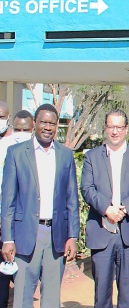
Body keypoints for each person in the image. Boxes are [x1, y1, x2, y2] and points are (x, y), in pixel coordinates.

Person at [1, 103, 79, 308]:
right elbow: (7, 200)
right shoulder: (16, 153)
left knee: (52, 298)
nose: (47, 127)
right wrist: (7, 239)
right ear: (35, 123)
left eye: (52, 123)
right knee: (23, 297)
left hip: (56, 236)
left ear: (56, 126)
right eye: (43, 122)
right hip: (26, 234)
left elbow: (72, 199)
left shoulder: (65, 154)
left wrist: (73, 236)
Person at [80, 109, 129, 308]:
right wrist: (106, 209)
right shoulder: (92, 157)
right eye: (111, 126)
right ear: (105, 128)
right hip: (102, 232)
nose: (115, 131)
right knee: (101, 293)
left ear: (126, 129)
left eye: (119, 127)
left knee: (127, 294)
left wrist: (125, 208)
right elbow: (87, 187)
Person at [0, 110, 34, 308]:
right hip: (4, 225)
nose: (22, 133)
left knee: (24, 282)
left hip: (25, 228)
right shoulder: (6, 148)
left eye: (26, 129)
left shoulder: (36, 151)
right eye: (18, 129)